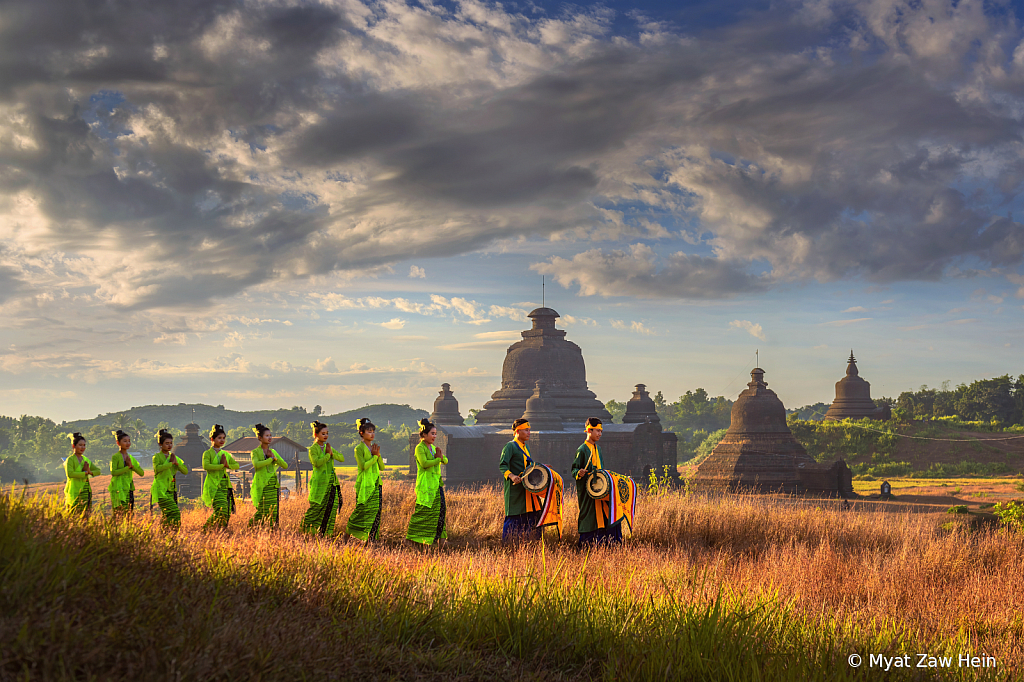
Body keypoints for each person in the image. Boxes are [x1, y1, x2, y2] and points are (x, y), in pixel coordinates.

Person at [571, 417, 623, 548]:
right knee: (590, 518)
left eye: (601, 431)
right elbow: (574, 469)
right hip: (589, 494)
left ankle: (609, 546)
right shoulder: (582, 449)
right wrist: (579, 473)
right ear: (589, 430)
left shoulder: (598, 449)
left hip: (601, 491)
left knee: (609, 516)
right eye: (597, 431)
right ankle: (586, 547)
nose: (600, 434)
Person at [406, 418, 448, 546]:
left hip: (436, 484)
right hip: (425, 485)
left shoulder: (433, 448)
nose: (434, 436)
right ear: (424, 435)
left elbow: (445, 460)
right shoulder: (420, 448)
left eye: (435, 434)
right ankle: (410, 538)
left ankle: (439, 539)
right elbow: (424, 464)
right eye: (432, 433)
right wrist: (437, 460)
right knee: (423, 512)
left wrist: (440, 458)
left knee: (440, 510)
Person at [499, 418, 542, 543]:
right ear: (517, 431)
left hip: (527, 490)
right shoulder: (510, 446)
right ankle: (507, 546)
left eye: (529, 430)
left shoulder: (525, 447)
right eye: (526, 430)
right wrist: (512, 476)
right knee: (514, 518)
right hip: (515, 491)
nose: (529, 433)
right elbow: (503, 465)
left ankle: (530, 544)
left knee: (532, 516)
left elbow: (529, 466)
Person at [301, 420, 345, 537]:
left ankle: (326, 534)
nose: (326, 436)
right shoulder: (313, 449)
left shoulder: (328, 447)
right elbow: (316, 463)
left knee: (331, 508)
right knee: (316, 509)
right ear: (316, 435)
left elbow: (341, 458)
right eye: (323, 433)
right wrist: (327, 455)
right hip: (319, 483)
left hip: (331, 483)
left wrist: (331, 453)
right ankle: (307, 532)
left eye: (327, 433)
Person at [347, 417, 384, 542]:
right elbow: (363, 466)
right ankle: (348, 534)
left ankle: (371, 540)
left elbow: (382, 467)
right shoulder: (359, 449)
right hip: (364, 484)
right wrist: (374, 457)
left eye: (373, 431)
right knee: (362, 511)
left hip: (376, 483)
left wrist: (377, 456)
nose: (372, 434)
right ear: (361, 433)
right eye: (369, 431)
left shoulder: (374, 447)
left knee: (376, 513)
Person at [249, 423, 288, 527]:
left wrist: (274, 458)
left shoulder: (273, 451)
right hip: (262, 486)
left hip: (273, 486)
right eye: (267, 436)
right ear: (260, 438)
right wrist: (269, 459)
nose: (270, 437)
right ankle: (252, 527)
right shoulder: (255, 452)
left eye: (270, 435)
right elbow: (257, 465)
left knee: (273, 511)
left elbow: (285, 465)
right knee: (262, 510)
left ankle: (271, 531)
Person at [202, 424, 239, 530]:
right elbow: (206, 466)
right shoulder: (207, 453)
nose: (222, 440)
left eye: (223, 438)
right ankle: (206, 529)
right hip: (214, 486)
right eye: (219, 438)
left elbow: (236, 465)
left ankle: (219, 531)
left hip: (225, 485)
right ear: (212, 439)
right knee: (221, 509)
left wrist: (228, 465)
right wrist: (222, 465)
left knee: (226, 512)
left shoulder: (225, 454)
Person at [151, 429, 188, 528]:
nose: (169, 445)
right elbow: (157, 469)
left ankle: (165, 535)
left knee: (167, 515)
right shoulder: (156, 457)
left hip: (172, 489)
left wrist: (176, 464)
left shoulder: (174, 457)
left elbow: (185, 471)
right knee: (175, 512)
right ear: (160, 444)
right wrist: (170, 463)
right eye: (166, 443)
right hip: (160, 490)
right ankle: (174, 531)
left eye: (171, 443)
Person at [109, 429, 144, 519]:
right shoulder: (115, 457)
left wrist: (132, 467)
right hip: (117, 488)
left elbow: (141, 473)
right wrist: (127, 467)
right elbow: (114, 472)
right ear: (118, 443)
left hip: (128, 488)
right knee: (119, 513)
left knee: (128, 514)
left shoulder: (131, 457)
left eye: (129, 441)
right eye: (125, 441)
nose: (128, 443)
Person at [64, 432, 99, 515]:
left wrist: (90, 472)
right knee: (74, 514)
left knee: (86, 515)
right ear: (74, 446)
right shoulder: (70, 459)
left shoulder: (85, 459)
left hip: (86, 491)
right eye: (80, 445)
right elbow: (70, 474)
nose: (83, 447)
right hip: (75, 491)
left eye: (84, 445)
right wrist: (85, 473)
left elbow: (98, 471)